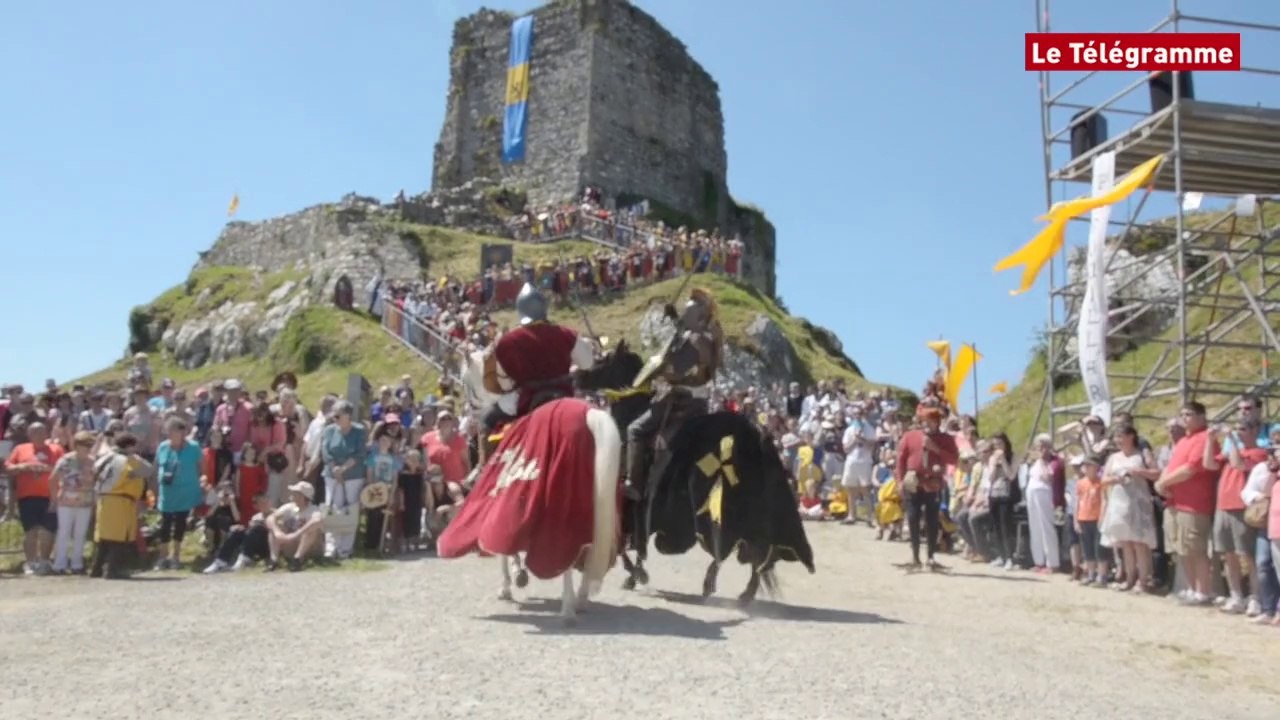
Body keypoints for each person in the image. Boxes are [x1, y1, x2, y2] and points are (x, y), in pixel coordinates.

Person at [625, 287, 724, 499]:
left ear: (698, 316)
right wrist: (673, 318)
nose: (683, 314)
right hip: (699, 400)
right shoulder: (707, 338)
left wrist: (656, 373)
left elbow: (675, 370)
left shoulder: (694, 341)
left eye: (687, 312)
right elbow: (682, 332)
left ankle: (634, 483)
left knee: (635, 429)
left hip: (681, 400)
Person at [480, 282, 595, 438]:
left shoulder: (507, 341)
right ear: (544, 308)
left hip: (526, 397)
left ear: (520, 310)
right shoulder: (566, 334)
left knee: (487, 421)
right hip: (564, 393)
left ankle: (485, 462)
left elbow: (504, 383)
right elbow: (588, 363)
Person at [894, 407, 959, 569]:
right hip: (913, 481)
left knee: (932, 521)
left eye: (929, 421)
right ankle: (915, 556)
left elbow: (954, 459)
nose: (925, 424)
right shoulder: (910, 436)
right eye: (923, 421)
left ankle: (930, 556)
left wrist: (935, 449)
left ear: (937, 422)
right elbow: (900, 460)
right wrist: (899, 481)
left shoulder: (946, 439)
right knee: (913, 518)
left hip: (933, 483)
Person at [90, 432, 153, 579]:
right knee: (120, 536)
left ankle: (96, 569)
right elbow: (148, 470)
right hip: (121, 500)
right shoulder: (128, 460)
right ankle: (113, 570)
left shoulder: (105, 458)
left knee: (104, 537)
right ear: (130, 446)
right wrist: (134, 459)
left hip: (104, 499)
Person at [5, 423, 65, 575]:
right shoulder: (20, 449)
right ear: (29, 434)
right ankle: (31, 563)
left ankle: (44, 561)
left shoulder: (56, 449)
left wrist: (46, 469)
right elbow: (8, 468)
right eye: (35, 432)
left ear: (47, 432)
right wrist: (24, 467)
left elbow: (66, 468)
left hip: (51, 495)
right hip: (27, 495)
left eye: (42, 431)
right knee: (30, 530)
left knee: (48, 530)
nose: (39, 434)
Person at [265, 481, 325, 572]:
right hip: (291, 544)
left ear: (303, 496)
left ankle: (297, 560)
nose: (293, 494)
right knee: (274, 527)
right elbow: (270, 518)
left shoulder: (313, 510)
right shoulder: (289, 507)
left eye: (296, 493)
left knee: (310, 530)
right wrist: (277, 532)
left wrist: (296, 534)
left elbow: (317, 521)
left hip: (309, 548)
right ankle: (274, 561)